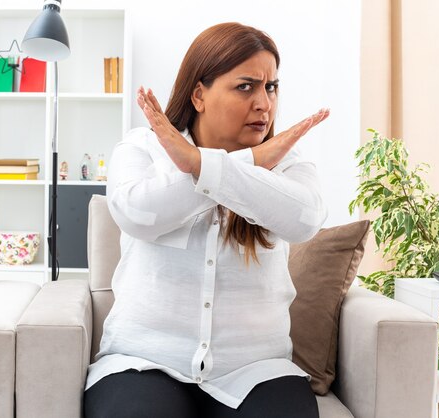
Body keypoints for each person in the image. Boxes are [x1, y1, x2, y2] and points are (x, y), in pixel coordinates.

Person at [84, 22, 330, 418]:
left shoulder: (288, 163)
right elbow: (138, 213)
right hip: (143, 362)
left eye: (272, 87)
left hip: (258, 370)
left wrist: (200, 166)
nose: (264, 104)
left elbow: (304, 220)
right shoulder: (144, 147)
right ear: (199, 94)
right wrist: (248, 164)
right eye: (246, 86)